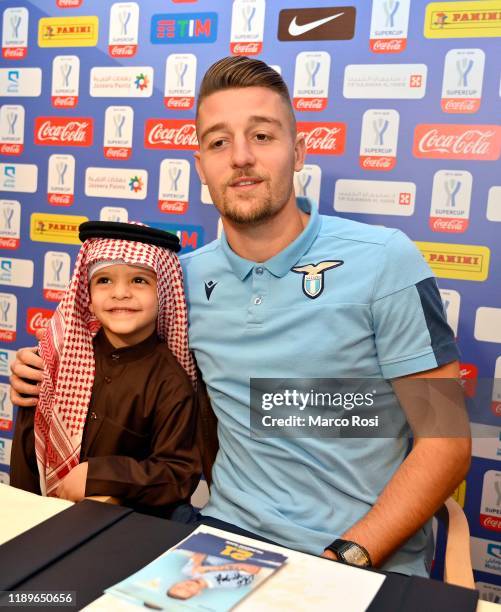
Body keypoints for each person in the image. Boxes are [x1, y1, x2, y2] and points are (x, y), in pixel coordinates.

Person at [11, 57, 471, 576]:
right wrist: (37, 369)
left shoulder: (386, 260)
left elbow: (446, 440)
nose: (242, 158)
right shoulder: (177, 284)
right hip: (221, 543)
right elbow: (104, 359)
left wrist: (348, 556)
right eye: (219, 142)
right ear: (201, 163)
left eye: (262, 135)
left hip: (358, 558)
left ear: (298, 152)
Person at [10, 221, 201, 519]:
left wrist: (99, 475)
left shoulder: (170, 382)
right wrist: (24, 514)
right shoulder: (55, 359)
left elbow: (176, 475)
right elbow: (28, 446)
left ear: (163, 291)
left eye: (139, 280)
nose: (120, 293)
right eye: (104, 281)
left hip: (118, 532)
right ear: (85, 292)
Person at [167, 552, 260, 600]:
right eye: (188, 591)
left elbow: (201, 550)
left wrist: (197, 564)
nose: (186, 586)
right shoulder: (232, 584)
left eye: (179, 587)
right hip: (248, 550)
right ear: (197, 593)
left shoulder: (187, 571)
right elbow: (255, 568)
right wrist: (210, 569)